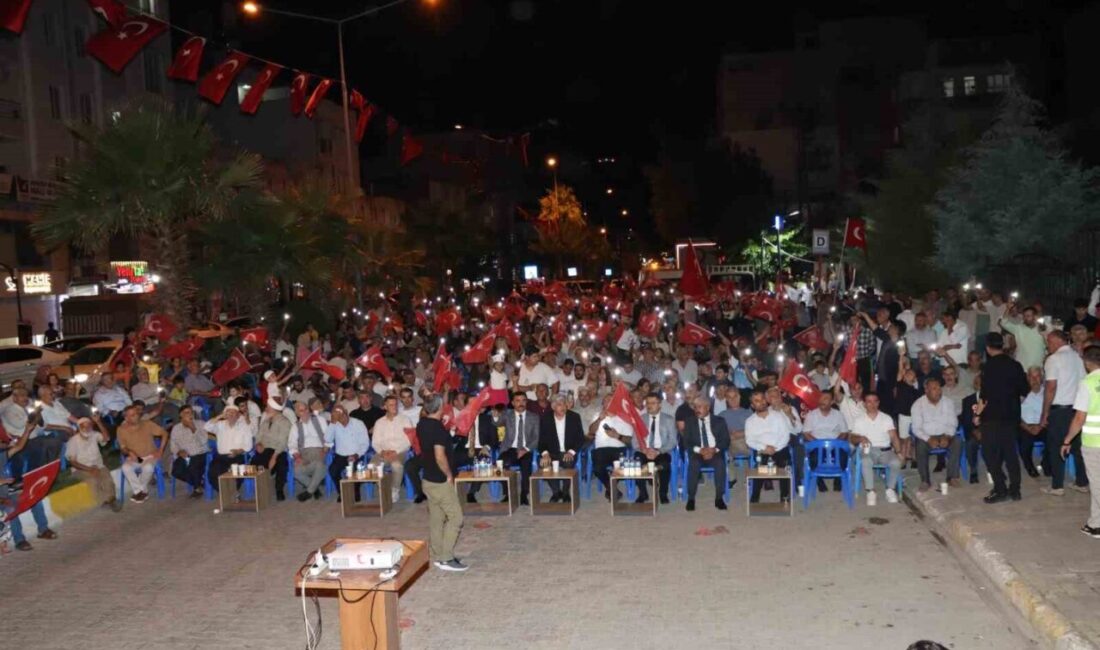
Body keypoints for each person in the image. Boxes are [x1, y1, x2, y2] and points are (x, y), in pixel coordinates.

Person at [975, 332, 1029, 504]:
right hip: (1011, 417)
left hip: (992, 417)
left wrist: (977, 415)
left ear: (988, 348)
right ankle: (1015, 490)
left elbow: (984, 397)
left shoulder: (988, 368)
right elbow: (1025, 390)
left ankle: (1000, 488)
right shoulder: (1015, 365)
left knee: (990, 454)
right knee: (1010, 453)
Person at [417, 393, 467, 571]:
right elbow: (440, 456)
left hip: (427, 478)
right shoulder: (437, 429)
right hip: (439, 480)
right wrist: (448, 475)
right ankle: (446, 558)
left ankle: (438, 553)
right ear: (440, 408)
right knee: (456, 518)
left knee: (437, 518)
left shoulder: (422, 424)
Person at [1059, 345, 1100, 537]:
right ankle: (1094, 523)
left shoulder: (1088, 383)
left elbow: (1079, 418)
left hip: (1094, 442)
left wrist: (1067, 440)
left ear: (1086, 361)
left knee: (1097, 484)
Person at [1041, 330, 1088, 496]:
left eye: (1048, 342)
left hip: (1059, 411)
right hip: (1077, 409)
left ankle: (1057, 486)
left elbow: (1051, 387)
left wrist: (1045, 412)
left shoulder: (1053, 359)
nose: (1047, 346)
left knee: (1055, 447)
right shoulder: (1077, 357)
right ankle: (1082, 482)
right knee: (1077, 448)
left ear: (1055, 341)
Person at [850, 392, 902, 506]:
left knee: (896, 462)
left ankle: (890, 489)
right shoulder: (859, 419)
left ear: (878, 403)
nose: (872, 404)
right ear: (864, 404)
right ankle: (870, 491)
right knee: (865, 461)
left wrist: (899, 452)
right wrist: (860, 438)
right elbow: (852, 439)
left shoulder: (886, 418)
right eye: (869, 401)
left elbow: (893, 436)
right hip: (868, 450)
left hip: (885, 450)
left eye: (875, 401)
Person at [911, 378, 962, 491]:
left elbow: (953, 423)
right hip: (927, 437)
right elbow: (916, 428)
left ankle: (952, 477)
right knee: (919, 445)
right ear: (926, 391)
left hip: (945, 434)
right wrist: (928, 439)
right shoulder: (918, 404)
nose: (938, 391)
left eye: (939, 388)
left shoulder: (948, 402)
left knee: (957, 441)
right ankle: (925, 480)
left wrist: (947, 436)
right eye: (934, 389)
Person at [65, 414, 123, 512]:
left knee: (107, 478)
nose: (87, 428)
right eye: (84, 426)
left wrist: (98, 422)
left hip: (98, 465)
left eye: (89, 425)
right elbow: (73, 463)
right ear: (80, 428)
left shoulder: (94, 434)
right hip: (81, 468)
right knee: (93, 480)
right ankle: (104, 501)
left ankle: (112, 499)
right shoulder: (73, 441)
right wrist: (89, 469)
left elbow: (106, 438)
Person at [681, 395, 730, 511]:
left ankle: (719, 498)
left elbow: (725, 441)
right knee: (693, 464)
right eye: (695, 407)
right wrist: (700, 450)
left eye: (700, 407)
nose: (696, 410)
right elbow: (686, 442)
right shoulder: (690, 422)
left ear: (708, 408)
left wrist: (714, 450)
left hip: (715, 451)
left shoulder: (719, 421)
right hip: (698, 452)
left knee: (720, 463)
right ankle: (691, 498)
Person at [745, 389, 791, 503]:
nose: (761, 402)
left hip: (779, 448)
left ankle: (784, 497)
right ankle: (755, 497)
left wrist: (775, 448)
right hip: (762, 450)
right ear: (752, 405)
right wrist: (764, 448)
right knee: (762, 467)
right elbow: (749, 440)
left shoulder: (778, 416)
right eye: (757, 401)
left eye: (762, 399)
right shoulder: (750, 421)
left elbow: (785, 435)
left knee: (784, 467)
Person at [537, 393, 584, 503]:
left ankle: (566, 492)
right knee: (545, 465)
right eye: (559, 404)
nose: (562, 407)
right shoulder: (545, 418)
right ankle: (556, 492)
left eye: (564, 404)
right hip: (552, 452)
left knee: (568, 462)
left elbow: (580, 438)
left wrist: (571, 452)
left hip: (568, 452)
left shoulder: (574, 417)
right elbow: (541, 440)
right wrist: (545, 454)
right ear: (553, 407)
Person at [116, 404, 168, 503]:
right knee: (125, 467)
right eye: (130, 415)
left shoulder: (147, 424)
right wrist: (129, 452)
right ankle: (141, 491)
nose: (134, 417)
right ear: (126, 418)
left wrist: (160, 450)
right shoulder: (121, 429)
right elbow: (123, 448)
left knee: (148, 467)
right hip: (135, 458)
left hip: (150, 455)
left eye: (135, 414)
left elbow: (164, 433)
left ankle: (139, 492)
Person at [369, 395, 414, 504]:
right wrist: (382, 452)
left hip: (400, 451)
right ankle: (384, 487)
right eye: (391, 405)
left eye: (396, 404)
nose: (395, 407)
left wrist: (396, 451)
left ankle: (395, 490)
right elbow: (375, 442)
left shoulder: (405, 419)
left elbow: (409, 440)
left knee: (396, 465)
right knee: (372, 466)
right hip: (383, 452)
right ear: (384, 407)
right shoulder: (379, 422)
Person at [634, 392, 677, 504]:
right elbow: (634, 441)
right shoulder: (640, 419)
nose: (649, 406)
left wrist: (658, 451)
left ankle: (662, 493)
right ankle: (643, 493)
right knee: (636, 463)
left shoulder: (669, 420)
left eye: (653, 403)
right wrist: (644, 450)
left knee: (664, 465)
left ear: (660, 404)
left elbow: (673, 441)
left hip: (661, 451)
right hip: (644, 450)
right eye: (647, 403)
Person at [802, 391, 849, 492]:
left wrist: (834, 444)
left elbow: (844, 432)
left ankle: (838, 480)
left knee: (843, 456)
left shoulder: (838, 415)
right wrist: (819, 444)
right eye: (821, 398)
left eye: (826, 398)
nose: (822, 401)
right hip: (817, 445)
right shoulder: (811, 415)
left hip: (835, 445)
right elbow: (806, 433)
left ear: (832, 402)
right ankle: (819, 481)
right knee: (813, 458)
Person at [500, 392, 539, 505]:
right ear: (512, 403)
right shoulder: (507, 415)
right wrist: (495, 415)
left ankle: (524, 494)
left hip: (526, 448)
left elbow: (536, 438)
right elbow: (497, 423)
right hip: (510, 448)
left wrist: (525, 449)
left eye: (523, 400)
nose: (521, 403)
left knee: (526, 465)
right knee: (500, 464)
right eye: (517, 401)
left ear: (526, 402)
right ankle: (508, 494)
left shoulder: (534, 417)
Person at [325, 404, 370, 503]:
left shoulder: (358, 423)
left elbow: (365, 443)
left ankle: (355, 491)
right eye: (336, 413)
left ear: (346, 411)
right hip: (340, 455)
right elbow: (327, 439)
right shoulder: (334, 424)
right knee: (333, 470)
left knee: (355, 470)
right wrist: (332, 422)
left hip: (356, 454)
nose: (340, 415)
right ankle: (342, 492)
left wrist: (357, 455)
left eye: (341, 412)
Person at [203, 403, 253, 492]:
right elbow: (206, 427)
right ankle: (225, 493)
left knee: (237, 473)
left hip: (238, 456)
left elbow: (249, 445)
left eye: (233, 413)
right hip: (221, 457)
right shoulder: (219, 425)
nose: (231, 415)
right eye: (228, 413)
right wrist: (220, 416)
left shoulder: (244, 426)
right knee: (213, 473)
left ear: (238, 415)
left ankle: (232, 492)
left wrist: (238, 451)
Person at [287, 401, 328, 501]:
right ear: (297, 414)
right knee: (296, 471)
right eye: (301, 411)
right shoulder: (295, 426)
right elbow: (291, 444)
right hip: (303, 453)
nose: (305, 412)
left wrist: (325, 449)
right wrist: (297, 456)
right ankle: (314, 488)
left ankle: (309, 492)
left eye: (306, 409)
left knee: (320, 466)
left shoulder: (320, 420)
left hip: (319, 450)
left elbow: (328, 437)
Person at [252, 397, 291, 501]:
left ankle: (279, 489)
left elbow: (283, 442)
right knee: (254, 464)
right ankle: (263, 488)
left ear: (273, 408)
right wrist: (258, 444)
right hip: (264, 449)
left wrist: (274, 456)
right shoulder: (265, 420)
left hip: (278, 450)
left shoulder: (284, 422)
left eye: (268, 406)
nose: (266, 408)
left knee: (281, 465)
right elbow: (258, 436)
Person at [169, 408, 209, 498]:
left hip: (200, 453)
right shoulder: (176, 428)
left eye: (191, 412)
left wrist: (193, 428)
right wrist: (179, 452)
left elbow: (203, 441)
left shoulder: (201, 424)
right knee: (176, 471)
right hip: (185, 455)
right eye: (186, 412)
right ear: (181, 416)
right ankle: (199, 483)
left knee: (193, 464)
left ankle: (197, 488)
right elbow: (173, 445)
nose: (190, 414)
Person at [1019, 366, 1048, 478]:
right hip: (1024, 425)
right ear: (1027, 377)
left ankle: (1046, 464)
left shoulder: (1047, 392)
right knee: (1025, 442)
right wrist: (1027, 427)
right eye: (1032, 376)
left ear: (1042, 378)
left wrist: (1040, 426)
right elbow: (1014, 414)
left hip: (1042, 425)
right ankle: (1030, 467)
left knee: (1054, 439)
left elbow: (1050, 412)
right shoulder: (1020, 392)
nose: (1035, 380)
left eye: (1038, 376)